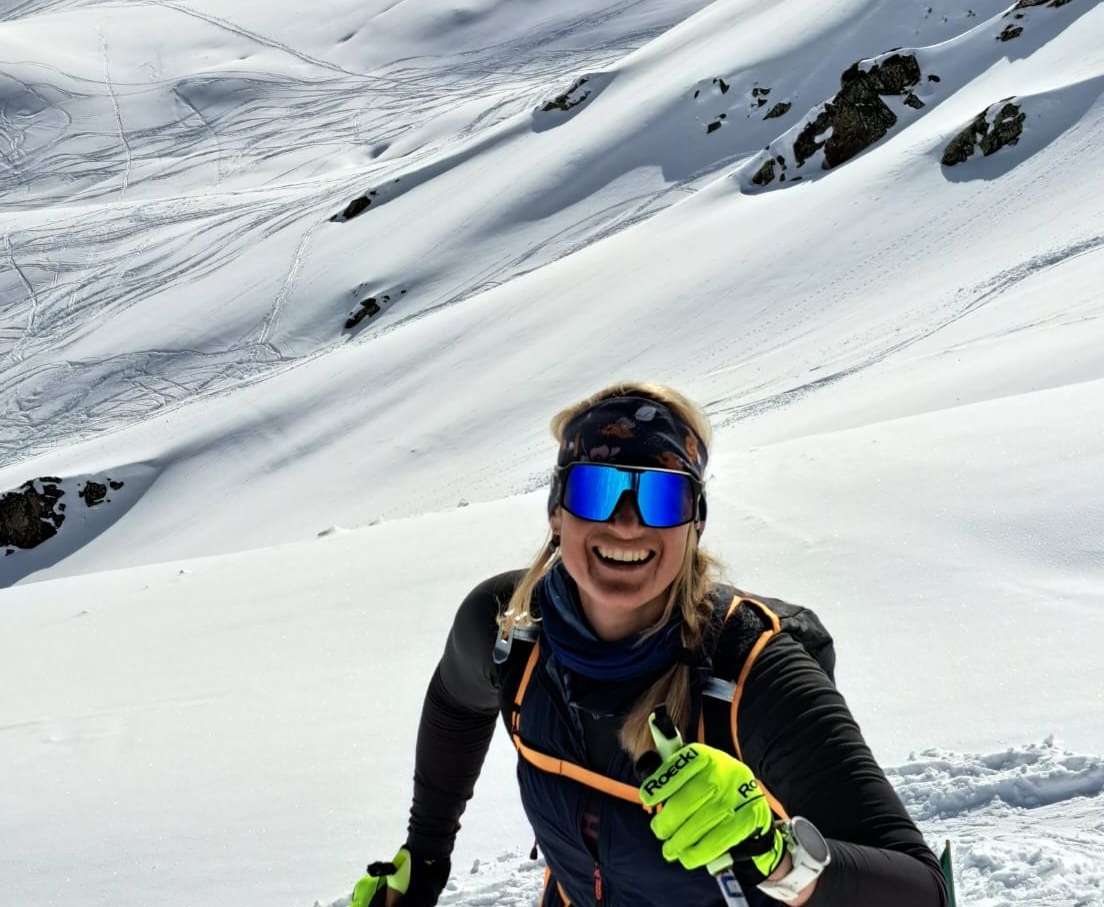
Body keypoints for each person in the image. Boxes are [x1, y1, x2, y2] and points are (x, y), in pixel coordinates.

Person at [350, 382, 948, 907]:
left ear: (695, 523)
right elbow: (457, 707)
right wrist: (425, 858)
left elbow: (924, 890)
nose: (627, 522)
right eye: (596, 489)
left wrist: (773, 850)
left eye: (662, 498)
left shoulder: (754, 674)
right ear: (556, 511)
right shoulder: (508, 629)